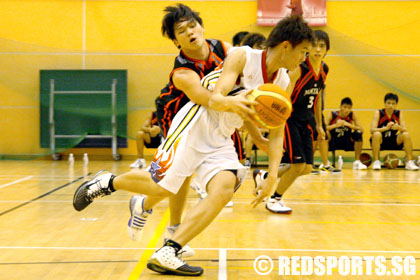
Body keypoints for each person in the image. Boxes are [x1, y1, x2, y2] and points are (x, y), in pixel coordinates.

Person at [73, 15, 313, 276]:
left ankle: (170, 250)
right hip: (194, 123)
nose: (305, 58)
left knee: (225, 186)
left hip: (221, 135)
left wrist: (273, 176)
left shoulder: (283, 81)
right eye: (304, 51)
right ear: (287, 46)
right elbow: (217, 98)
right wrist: (239, 103)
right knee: (161, 185)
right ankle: (106, 182)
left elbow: (278, 131)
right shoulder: (242, 56)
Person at [253, 29, 329, 214]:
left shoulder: (324, 69)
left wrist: (319, 124)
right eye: (314, 46)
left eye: (322, 46)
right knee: (297, 166)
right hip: (291, 119)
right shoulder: (299, 69)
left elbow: (317, 97)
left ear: (327, 50)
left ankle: (263, 175)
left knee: (307, 168)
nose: (317, 50)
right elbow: (283, 96)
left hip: (307, 120)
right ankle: (274, 198)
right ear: (308, 49)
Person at [370, 92, 419, 171]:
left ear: (396, 104)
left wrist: (398, 127)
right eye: (388, 103)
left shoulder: (399, 113)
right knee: (376, 134)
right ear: (385, 103)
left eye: (393, 103)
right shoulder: (378, 113)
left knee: (406, 134)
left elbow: (404, 129)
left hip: (393, 140)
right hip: (381, 141)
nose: (390, 106)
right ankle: (376, 162)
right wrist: (386, 128)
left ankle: (409, 162)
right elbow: (372, 130)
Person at [325, 97, 367, 170]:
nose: (346, 110)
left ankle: (357, 161)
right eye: (344, 107)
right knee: (324, 133)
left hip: (346, 141)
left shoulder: (352, 115)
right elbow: (323, 128)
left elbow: (361, 129)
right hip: (333, 141)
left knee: (358, 133)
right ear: (340, 107)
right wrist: (335, 125)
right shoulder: (332, 114)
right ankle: (325, 161)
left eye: (349, 108)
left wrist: (348, 124)